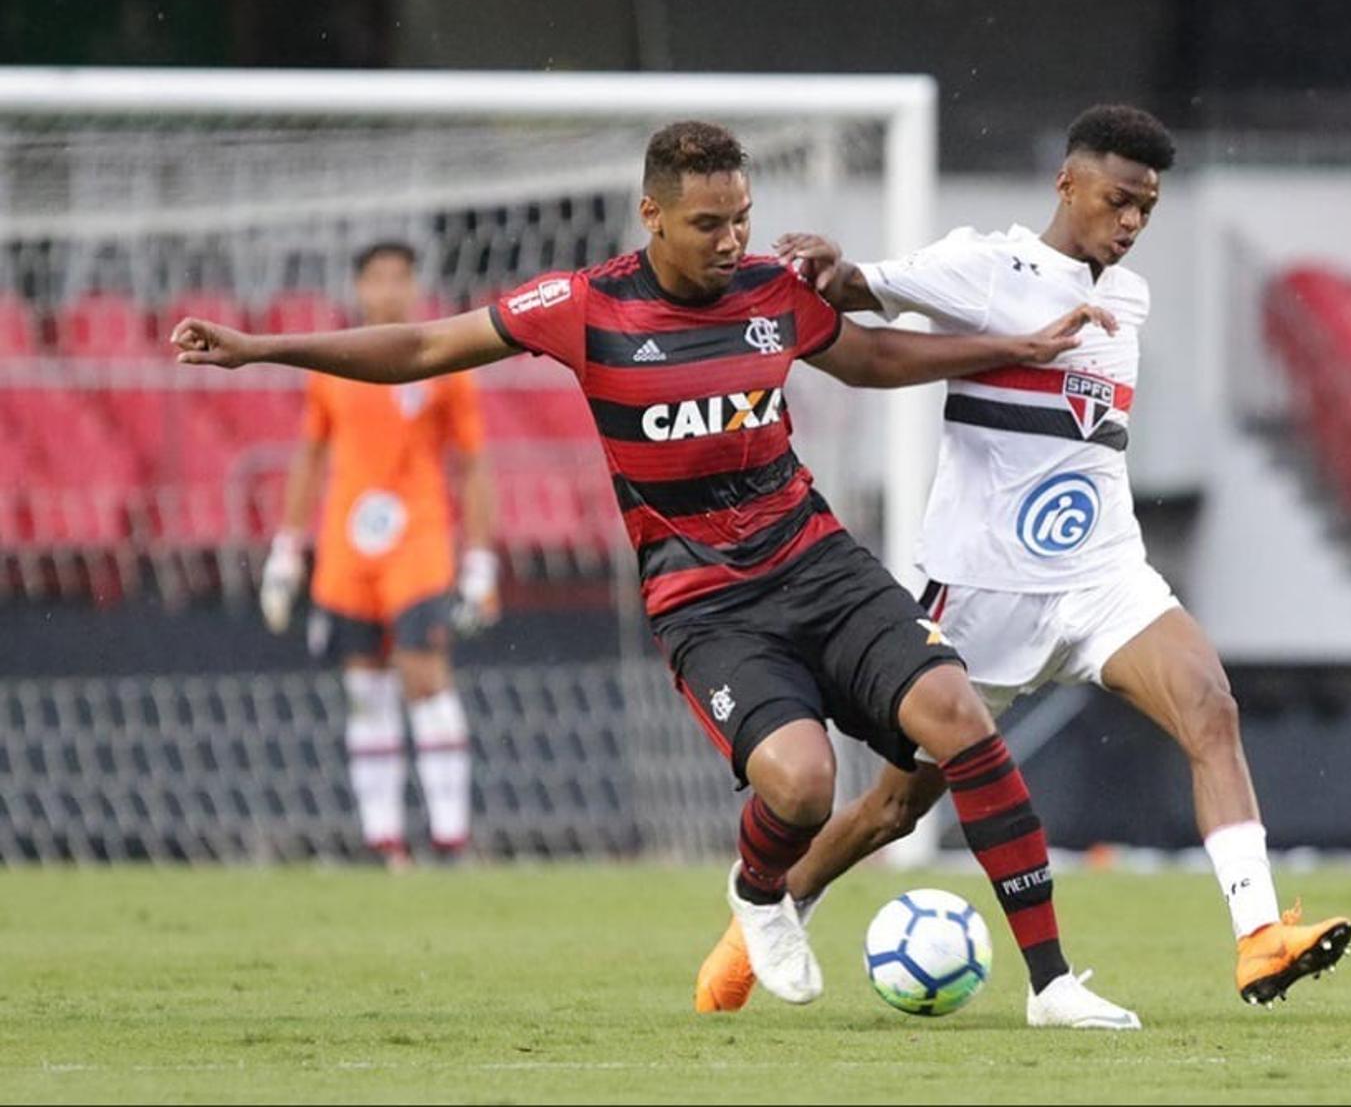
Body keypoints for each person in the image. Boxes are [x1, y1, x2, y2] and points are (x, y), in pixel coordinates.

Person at [174, 120, 1141, 1029]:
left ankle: (1052, 984)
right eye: (709, 224)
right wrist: (263, 350)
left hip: (819, 562)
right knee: (801, 788)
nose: (731, 241)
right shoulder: (584, 306)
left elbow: (875, 353)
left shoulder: (771, 290)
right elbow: (427, 345)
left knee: (959, 718)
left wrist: (1013, 347)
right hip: (706, 598)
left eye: (742, 219)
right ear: (654, 216)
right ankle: (759, 890)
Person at [695, 104, 1351, 1013]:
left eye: (1145, 211)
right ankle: (762, 915)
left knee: (1210, 703)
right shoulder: (987, 268)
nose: (1128, 224)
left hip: (1103, 578)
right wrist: (829, 265)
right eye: (1117, 200)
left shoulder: (1130, 296)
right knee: (896, 809)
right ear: (1067, 183)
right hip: (982, 593)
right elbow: (857, 289)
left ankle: (1257, 936)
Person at [262, 241, 498, 870]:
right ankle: (385, 842)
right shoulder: (333, 366)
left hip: (418, 539)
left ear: (416, 286)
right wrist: (287, 548)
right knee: (365, 687)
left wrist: (480, 560)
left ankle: (451, 838)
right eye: (377, 279)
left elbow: (473, 465)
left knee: (423, 672)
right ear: (359, 288)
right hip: (345, 547)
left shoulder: (445, 361)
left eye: (401, 278)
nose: (390, 290)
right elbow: (310, 458)